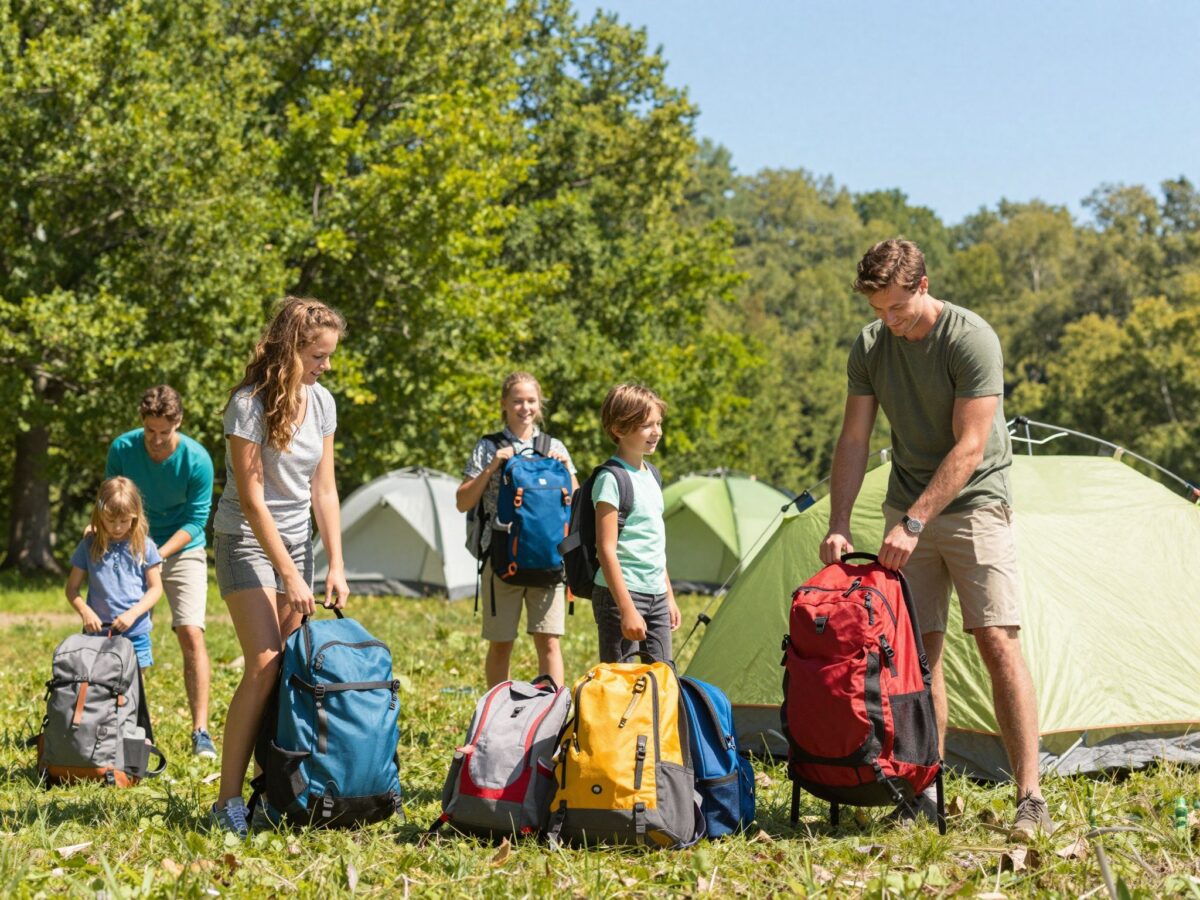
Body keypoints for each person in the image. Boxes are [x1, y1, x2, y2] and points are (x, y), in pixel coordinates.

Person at [819, 238, 1053, 841]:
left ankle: (1030, 796)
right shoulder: (871, 347)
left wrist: (916, 521)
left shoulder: (971, 338)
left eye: (896, 308)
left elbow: (970, 447)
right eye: (877, 311)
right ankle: (925, 790)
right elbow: (853, 441)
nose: (887, 322)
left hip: (976, 503)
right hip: (907, 505)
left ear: (923, 285)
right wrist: (839, 522)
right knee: (918, 658)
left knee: (997, 641)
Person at [209, 297, 350, 838]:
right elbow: (251, 499)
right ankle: (228, 801)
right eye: (317, 354)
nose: (325, 365)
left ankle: (275, 789)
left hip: (299, 543)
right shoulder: (248, 405)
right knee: (265, 664)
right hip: (245, 538)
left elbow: (325, 488)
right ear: (290, 349)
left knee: (292, 668)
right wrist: (288, 573)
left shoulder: (322, 404)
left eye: (329, 355)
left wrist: (334, 561)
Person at [106, 385, 217, 758]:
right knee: (128, 636)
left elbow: (197, 520)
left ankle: (200, 730)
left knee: (190, 633)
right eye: (149, 431)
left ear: (178, 423)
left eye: (163, 433)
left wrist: (154, 554)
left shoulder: (197, 460)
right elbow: (111, 500)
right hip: (133, 545)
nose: (155, 440)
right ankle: (128, 724)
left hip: (181, 548)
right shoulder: (123, 448)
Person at [456, 372, 578, 688]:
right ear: (505, 404)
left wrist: (565, 469)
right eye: (518, 401)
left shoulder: (554, 446)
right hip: (501, 557)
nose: (525, 408)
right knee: (502, 643)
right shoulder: (488, 446)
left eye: (531, 401)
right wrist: (492, 466)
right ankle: (497, 714)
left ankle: (551, 714)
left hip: (549, 558)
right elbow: (463, 501)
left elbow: (576, 502)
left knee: (550, 642)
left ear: (539, 405)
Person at [591, 383, 680, 664]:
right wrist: (627, 608)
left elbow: (654, 543)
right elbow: (606, 550)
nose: (657, 432)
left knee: (662, 678)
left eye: (658, 424)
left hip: (655, 594)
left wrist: (668, 596)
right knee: (622, 683)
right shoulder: (611, 479)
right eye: (646, 426)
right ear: (619, 429)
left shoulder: (652, 475)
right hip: (622, 596)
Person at [66, 477, 163, 669]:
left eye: (124, 520)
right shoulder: (88, 545)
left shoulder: (145, 546)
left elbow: (156, 589)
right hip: (97, 634)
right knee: (98, 688)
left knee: (135, 689)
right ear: (100, 514)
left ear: (135, 516)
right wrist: (85, 612)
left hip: (135, 632)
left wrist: (132, 615)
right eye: (110, 520)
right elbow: (72, 589)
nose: (117, 527)